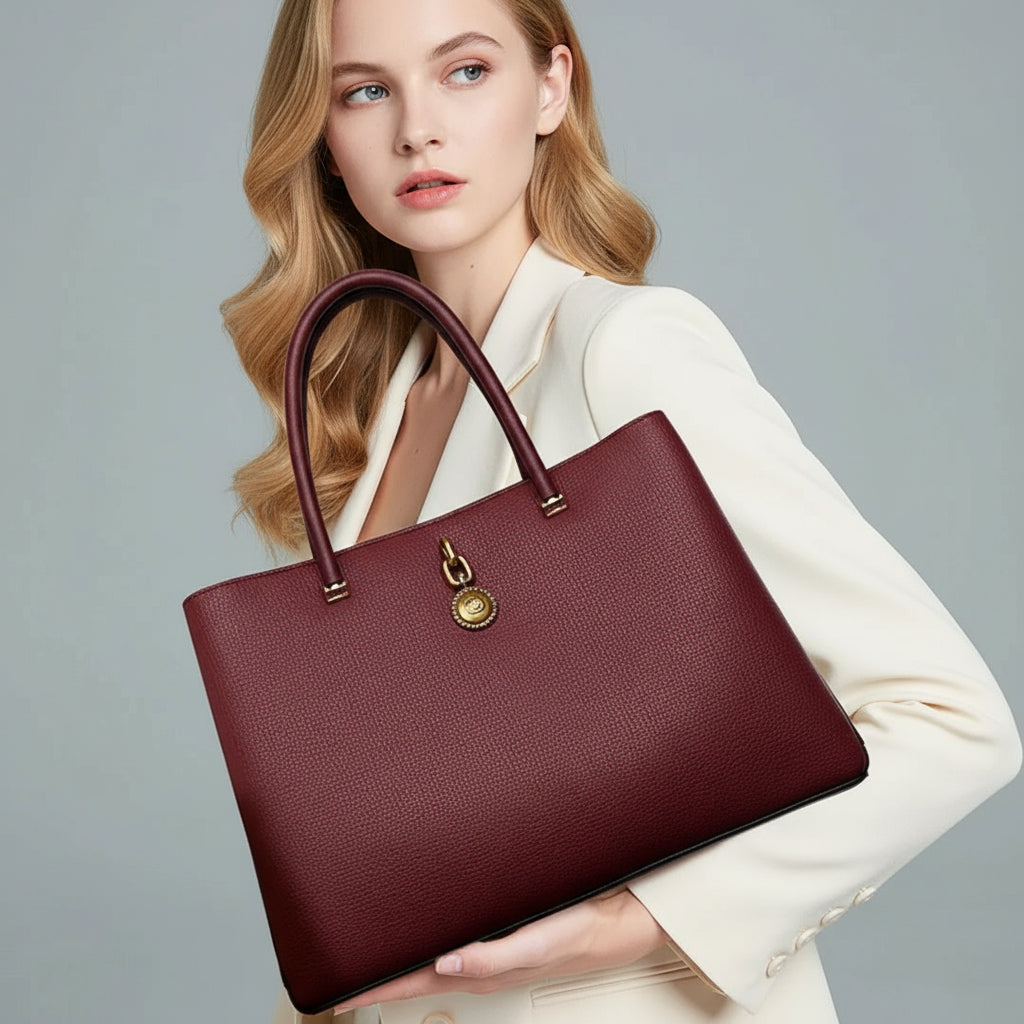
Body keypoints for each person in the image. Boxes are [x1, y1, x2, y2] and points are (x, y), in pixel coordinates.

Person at [219, 1, 1022, 1022]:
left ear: (552, 86)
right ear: (325, 139)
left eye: (465, 71)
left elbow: (950, 719)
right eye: (365, 90)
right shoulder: (386, 403)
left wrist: (640, 919)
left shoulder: (622, 349)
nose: (415, 127)